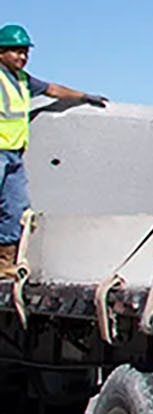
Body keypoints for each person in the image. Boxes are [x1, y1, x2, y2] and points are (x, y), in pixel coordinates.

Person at [0, 25, 107, 272]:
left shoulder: (22, 80)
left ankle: (4, 262)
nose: (22, 57)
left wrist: (83, 96)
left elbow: (52, 89)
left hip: (14, 152)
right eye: (16, 52)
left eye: (25, 52)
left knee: (15, 206)